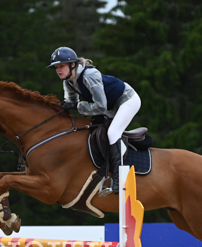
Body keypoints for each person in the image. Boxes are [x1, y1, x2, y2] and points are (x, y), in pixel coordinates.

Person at [47, 46, 141, 195]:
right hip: (110, 106)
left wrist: (77, 106)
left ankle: (119, 181)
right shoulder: (68, 81)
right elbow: (71, 103)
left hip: (126, 100)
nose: (58, 70)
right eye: (56, 67)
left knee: (113, 133)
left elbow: (100, 106)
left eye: (61, 66)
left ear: (73, 64)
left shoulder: (89, 75)